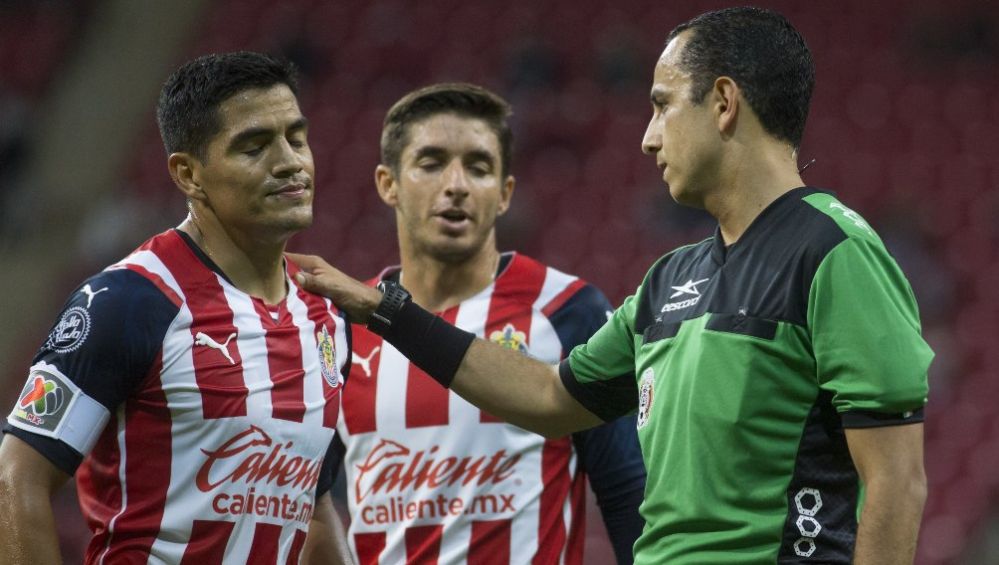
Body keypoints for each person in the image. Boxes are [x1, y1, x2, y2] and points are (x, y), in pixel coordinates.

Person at [292, 7, 933, 565]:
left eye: (661, 105)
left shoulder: (834, 252)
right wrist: (387, 311)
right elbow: (549, 394)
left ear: (723, 103)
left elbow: (897, 484)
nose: (649, 138)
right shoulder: (671, 279)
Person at [0, 52, 352, 565]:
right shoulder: (130, 301)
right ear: (189, 174)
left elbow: (314, 508)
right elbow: (18, 476)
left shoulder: (327, 316)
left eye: (296, 138)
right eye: (255, 146)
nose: (289, 161)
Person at [314, 83, 646, 564]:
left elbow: (627, 490)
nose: (457, 185)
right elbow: (310, 503)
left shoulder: (568, 309)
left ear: (505, 192)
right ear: (388, 183)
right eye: (431, 163)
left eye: (479, 167)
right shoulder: (340, 326)